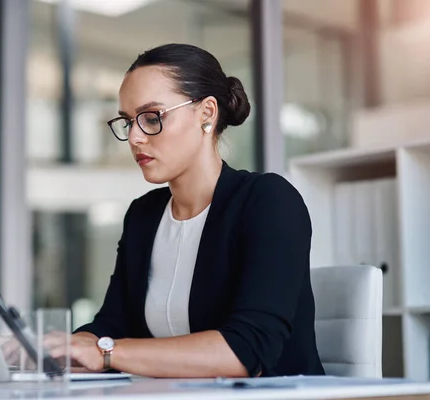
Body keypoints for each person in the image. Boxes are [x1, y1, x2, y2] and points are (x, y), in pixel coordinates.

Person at [57, 43, 324, 378]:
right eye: (127, 122)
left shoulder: (268, 201)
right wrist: (66, 348)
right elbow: (112, 324)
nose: (136, 138)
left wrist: (105, 352)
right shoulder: (144, 216)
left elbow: (247, 350)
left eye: (152, 118)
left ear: (206, 114)